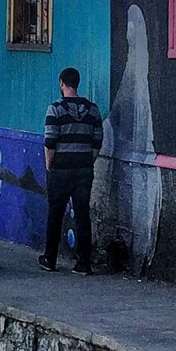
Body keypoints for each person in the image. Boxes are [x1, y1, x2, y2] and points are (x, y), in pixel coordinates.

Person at [40, 66, 103, 275]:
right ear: (77, 83)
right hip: (83, 169)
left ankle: (50, 259)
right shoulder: (92, 109)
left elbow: (50, 142)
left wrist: (50, 165)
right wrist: (88, 161)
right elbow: (97, 141)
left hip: (60, 170)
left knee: (55, 215)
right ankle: (84, 262)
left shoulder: (55, 109)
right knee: (83, 215)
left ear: (61, 83)